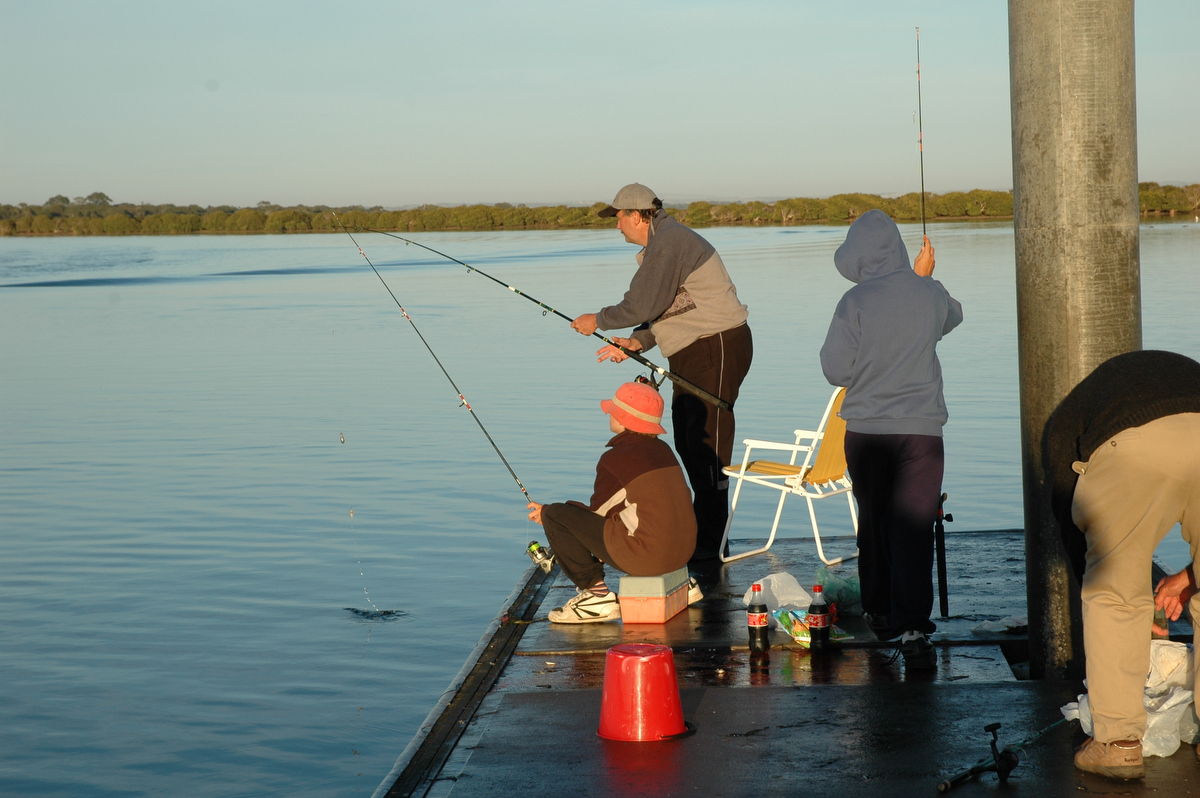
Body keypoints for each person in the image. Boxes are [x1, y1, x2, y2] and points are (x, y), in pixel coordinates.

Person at [570, 183, 752, 562]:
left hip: (715, 344)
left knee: (709, 447)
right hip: (695, 348)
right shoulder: (662, 245)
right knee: (689, 441)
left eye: (619, 217)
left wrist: (597, 320)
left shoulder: (668, 243)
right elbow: (671, 307)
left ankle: (711, 549)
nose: (616, 225)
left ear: (638, 215)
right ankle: (704, 542)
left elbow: (641, 303)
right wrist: (638, 342)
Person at [1042, 349, 1200, 779]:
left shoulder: (1061, 432)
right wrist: (1189, 578)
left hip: (1133, 441)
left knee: (1113, 594)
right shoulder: (1155, 376)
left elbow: (1080, 531)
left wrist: (1126, 597)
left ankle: (1117, 746)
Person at [819, 210, 963, 670]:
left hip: (867, 434)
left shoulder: (853, 301)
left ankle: (880, 611)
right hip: (923, 434)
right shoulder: (929, 295)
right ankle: (914, 626)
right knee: (915, 529)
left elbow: (835, 370)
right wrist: (925, 279)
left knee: (876, 522)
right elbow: (952, 316)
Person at [527, 381, 697, 623]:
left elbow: (597, 515)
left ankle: (597, 597)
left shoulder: (615, 458)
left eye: (613, 410)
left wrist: (547, 514)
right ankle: (682, 583)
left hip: (650, 557)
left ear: (624, 419)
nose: (608, 413)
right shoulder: (664, 450)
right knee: (572, 516)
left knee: (556, 514)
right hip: (684, 552)